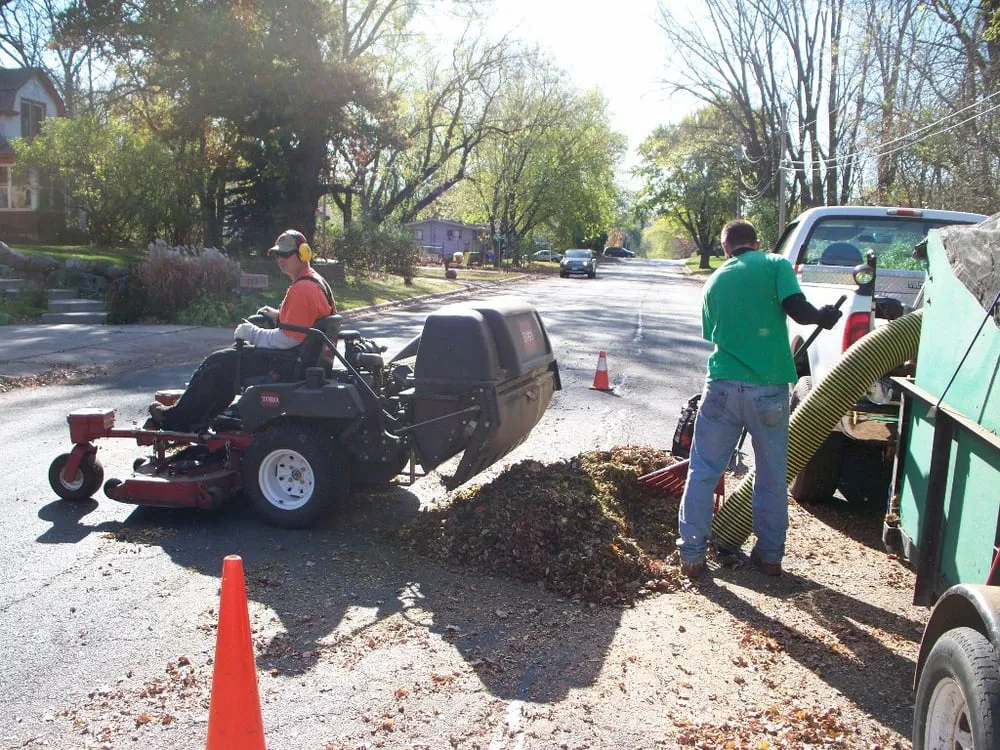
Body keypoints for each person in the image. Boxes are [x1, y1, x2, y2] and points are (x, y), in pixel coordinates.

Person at [676, 219, 842, 580]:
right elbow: (798, 310)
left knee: (703, 471)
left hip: (720, 387)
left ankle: (691, 556)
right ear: (757, 241)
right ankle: (770, 558)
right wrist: (823, 317)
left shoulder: (715, 280)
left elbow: (713, 333)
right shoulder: (775, 264)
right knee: (770, 474)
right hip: (768, 390)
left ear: (724, 247)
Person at [149, 229, 335, 432]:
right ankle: (202, 418)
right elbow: (302, 322)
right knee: (227, 362)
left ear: (303, 254)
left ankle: (175, 420)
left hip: (286, 366)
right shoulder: (317, 282)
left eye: (285, 254)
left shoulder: (302, 289)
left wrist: (253, 333)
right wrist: (277, 315)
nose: (280, 259)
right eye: (277, 254)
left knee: (218, 363)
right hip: (301, 360)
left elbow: (287, 339)